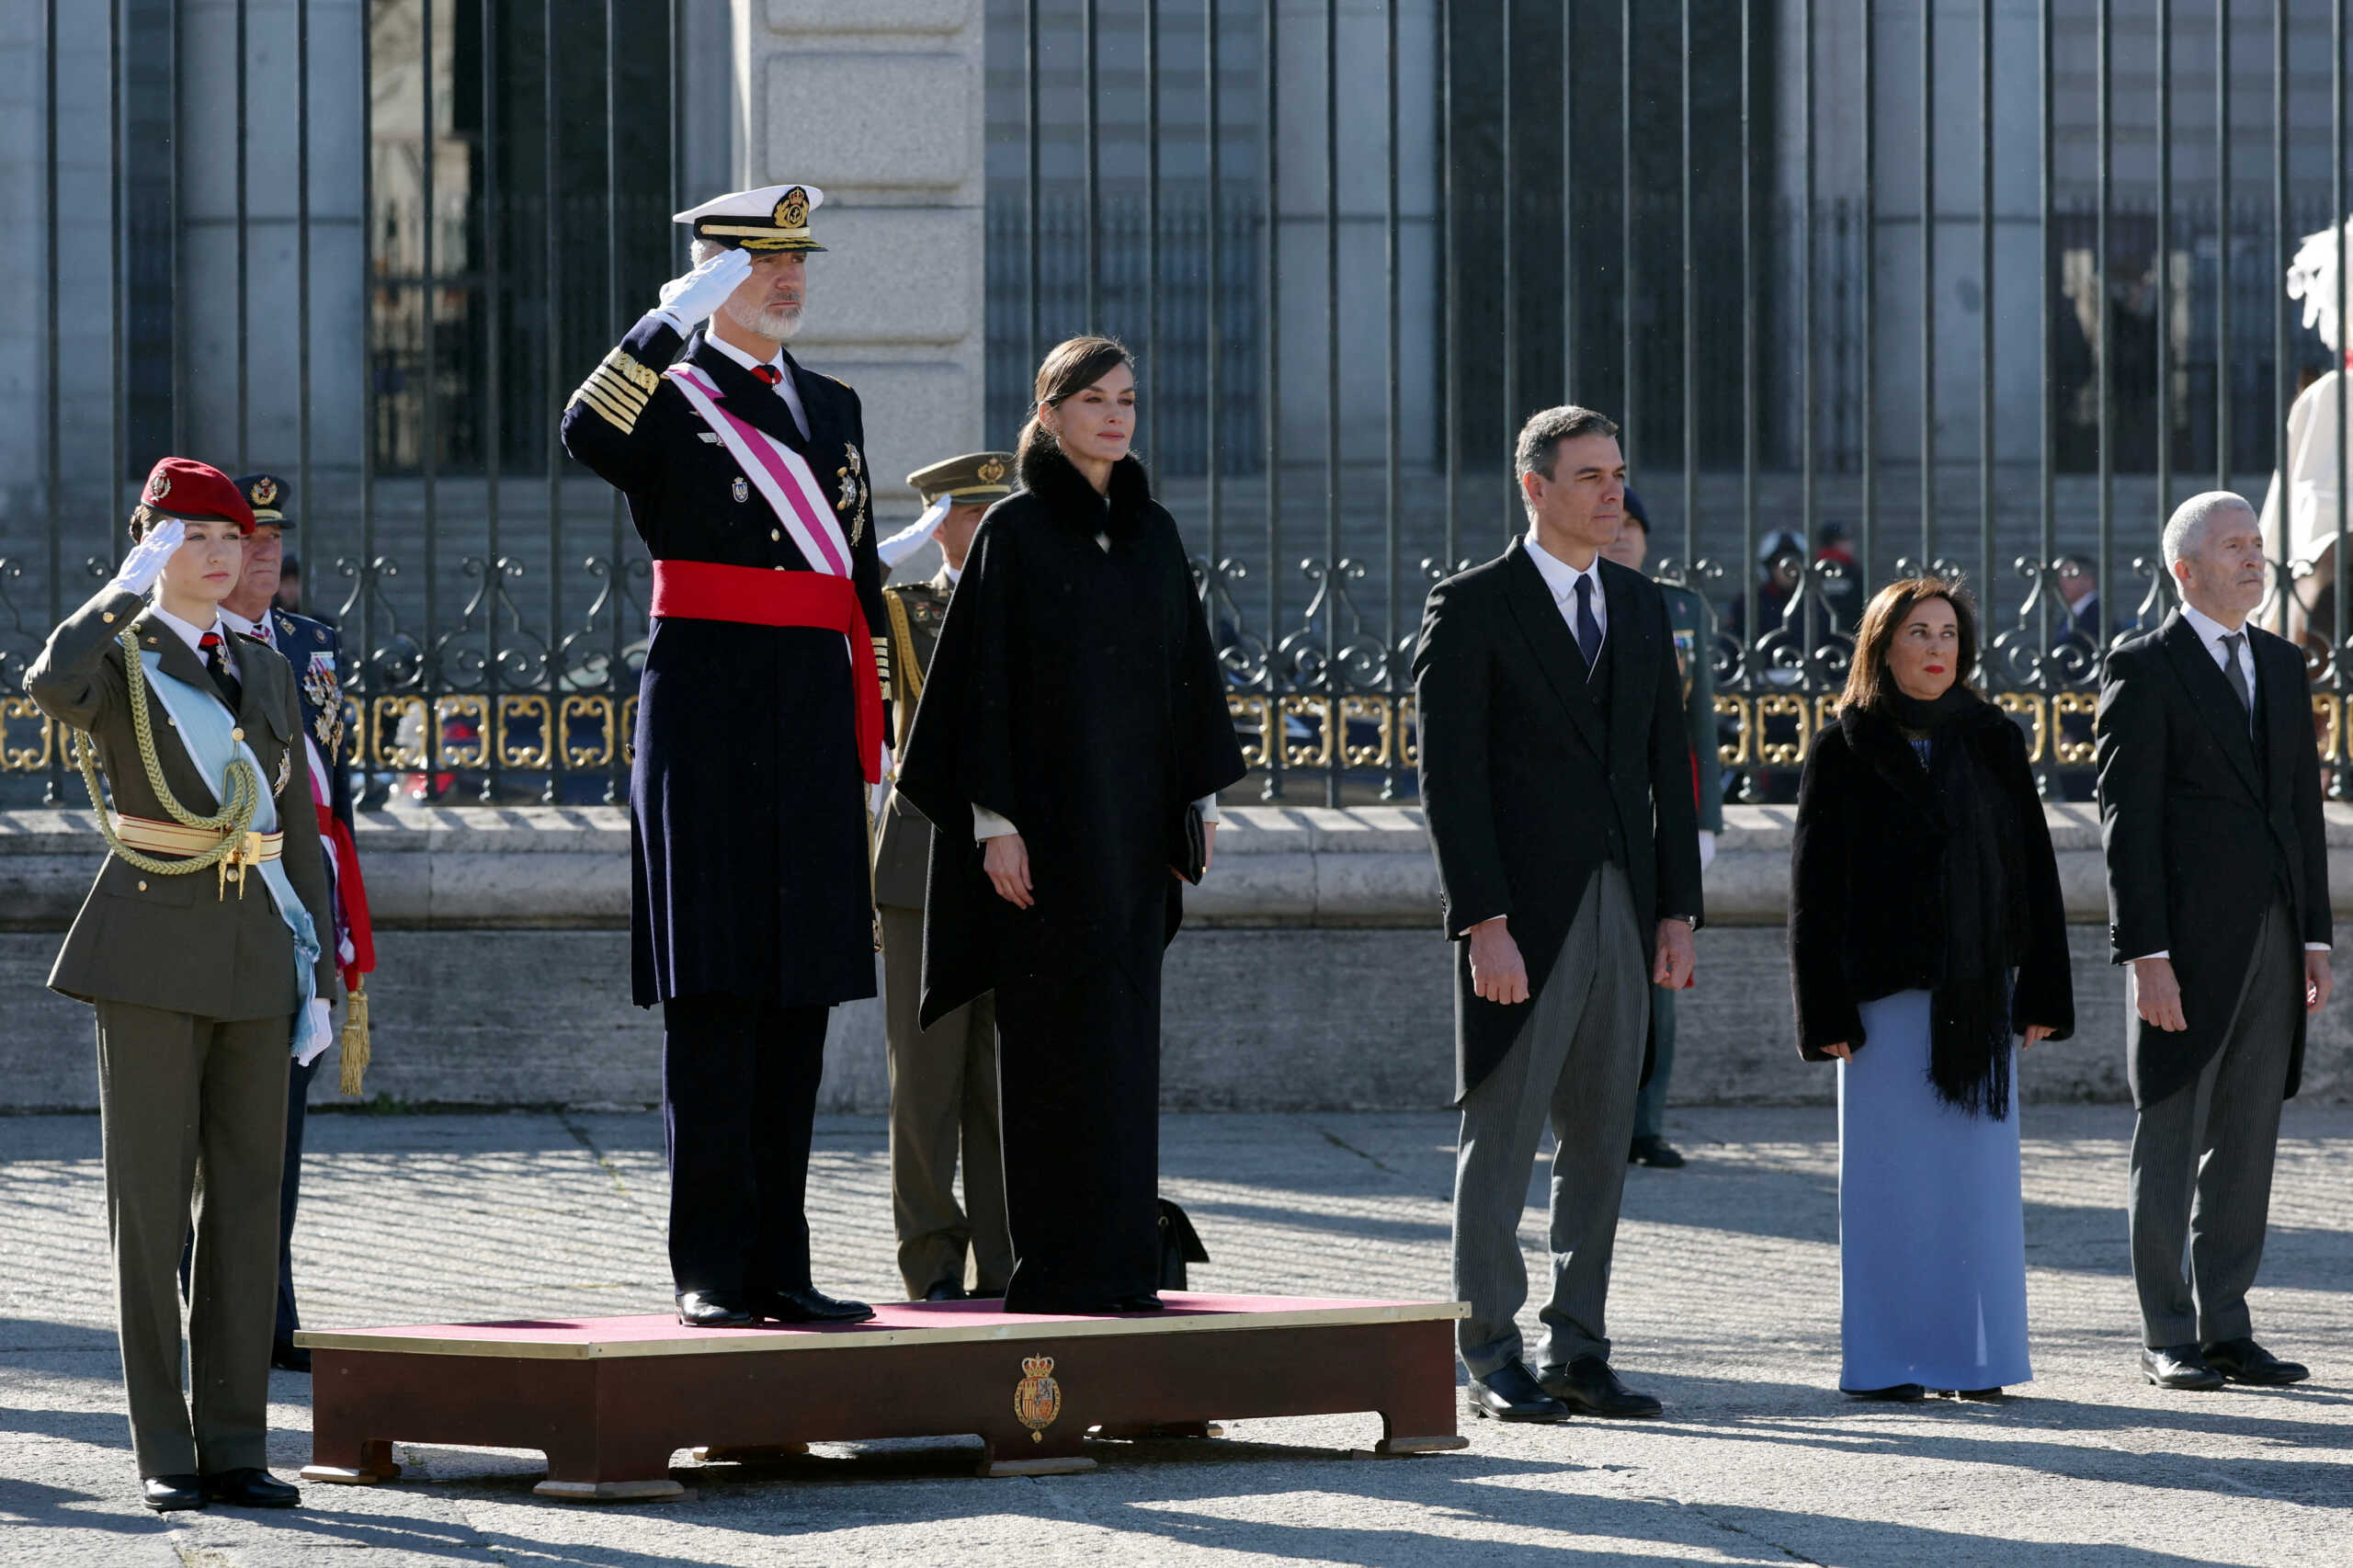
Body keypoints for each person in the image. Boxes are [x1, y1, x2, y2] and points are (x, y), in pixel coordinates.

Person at [560, 181, 884, 1329]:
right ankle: (709, 1259)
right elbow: (583, 431)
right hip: (704, 714)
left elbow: (858, 578)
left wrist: (873, 722)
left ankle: (781, 1264)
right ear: (712, 279)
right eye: (761, 264)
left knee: (797, 996)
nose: (788, 280)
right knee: (715, 995)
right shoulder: (669, 395)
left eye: (798, 262)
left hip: (804, 717)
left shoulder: (835, 404)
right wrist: (662, 323)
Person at [896, 336, 1246, 1315]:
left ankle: (1122, 1262)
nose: (1114, 415)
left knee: (1125, 1045)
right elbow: (980, 690)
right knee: (1048, 1050)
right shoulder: (1012, 530)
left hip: (1133, 839)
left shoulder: (1153, 531)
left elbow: (1188, 675)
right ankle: (1050, 1270)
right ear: (1049, 413)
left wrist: (1199, 803)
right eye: (1093, 399)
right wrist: (993, 823)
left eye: (1127, 399)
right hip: (1040, 847)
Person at [23, 458, 339, 1512]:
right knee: (150, 1207)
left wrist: (322, 970)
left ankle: (237, 1440)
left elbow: (298, 831)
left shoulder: (267, 663)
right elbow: (48, 688)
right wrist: (121, 586)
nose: (216, 552)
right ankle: (166, 1442)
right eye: (189, 534)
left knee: (250, 1204)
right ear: (152, 539)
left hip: (259, 947)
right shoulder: (120, 653)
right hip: (151, 946)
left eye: (227, 535)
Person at [1412, 405, 1703, 1425]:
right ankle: (1488, 1344)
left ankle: (1580, 1346)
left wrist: (1677, 911)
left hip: (1622, 905)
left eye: (1617, 471)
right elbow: (1451, 782)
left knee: (1601, 1137)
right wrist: (1480, 920)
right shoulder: (1473, 606)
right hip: (1520, 915)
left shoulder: (1637, 602)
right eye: (1589, 475)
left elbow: (1669, 766)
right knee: (1500, 1136)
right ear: (1533, 488)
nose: (1611, 491)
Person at [1790, 577, 2075, 1402]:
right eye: (1919, 632)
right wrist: (1823, 1010)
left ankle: (1974, 1362)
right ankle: (1885, 1364)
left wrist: (2045, 994)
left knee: (1974, 1200)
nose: (1938, 648)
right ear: (1883, 645)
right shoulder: (1844, 746)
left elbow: (2035, 872)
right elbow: (1814, 892)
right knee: (1888, 1198)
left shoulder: (1993, 738)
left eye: (1949, 633)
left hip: (1978, 1003)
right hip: (1880, 1007)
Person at [2097, 492, 2332, 1392]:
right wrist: (2144, 954)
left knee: (2246, 1134)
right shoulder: (2142, 664)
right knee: (2169, 1133)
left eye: (2259, 544)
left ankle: (2226, 1323)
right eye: (2234, 545)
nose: (2255, 557)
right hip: (2182, 947)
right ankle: (2168, 1331)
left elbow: (2299, 812)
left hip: (2273, 935)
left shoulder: (2277, 662)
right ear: (2183, 568)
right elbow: (2128, 821)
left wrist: (2313, 931)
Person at [213, 472, 375, 1374]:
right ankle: (230, 1306)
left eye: (275, 539)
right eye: (246, 537)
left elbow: (333, 789)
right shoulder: (192, 645)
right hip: (234, 902)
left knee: (283, 1123)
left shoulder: (314, 641)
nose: (267, 552)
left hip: (307, 911)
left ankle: (272, 1309)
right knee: (226, 1130)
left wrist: (342, 919)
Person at [875, 450, 1018, 1301]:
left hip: (1015, 868)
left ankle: (1011, 1260)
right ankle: (930, 1263)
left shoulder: (1029, 604)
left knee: (1003, 1082)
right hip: (921, 862)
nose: (994, 526)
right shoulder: (902, 610)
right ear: (944, 523)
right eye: (976, 513)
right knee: (924, 1084)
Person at [1602, 489, 1722, 1170]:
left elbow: (1697, 724)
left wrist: (1705, 822)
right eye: (1612, 523)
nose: (1620, 536)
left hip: (1659, 816)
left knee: (1660, 976)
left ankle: (1646, 1123)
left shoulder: (1680, 608)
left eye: (1632, 527)